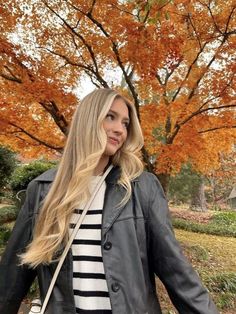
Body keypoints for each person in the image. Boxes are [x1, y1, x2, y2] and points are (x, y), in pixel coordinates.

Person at [0, 88, 218, 314]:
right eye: (110, 117)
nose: (119, 130)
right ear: (88, 120)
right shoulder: (44, 190)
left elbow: (176, 271)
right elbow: (10, 280)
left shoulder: (141, 188)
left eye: (125, 123)